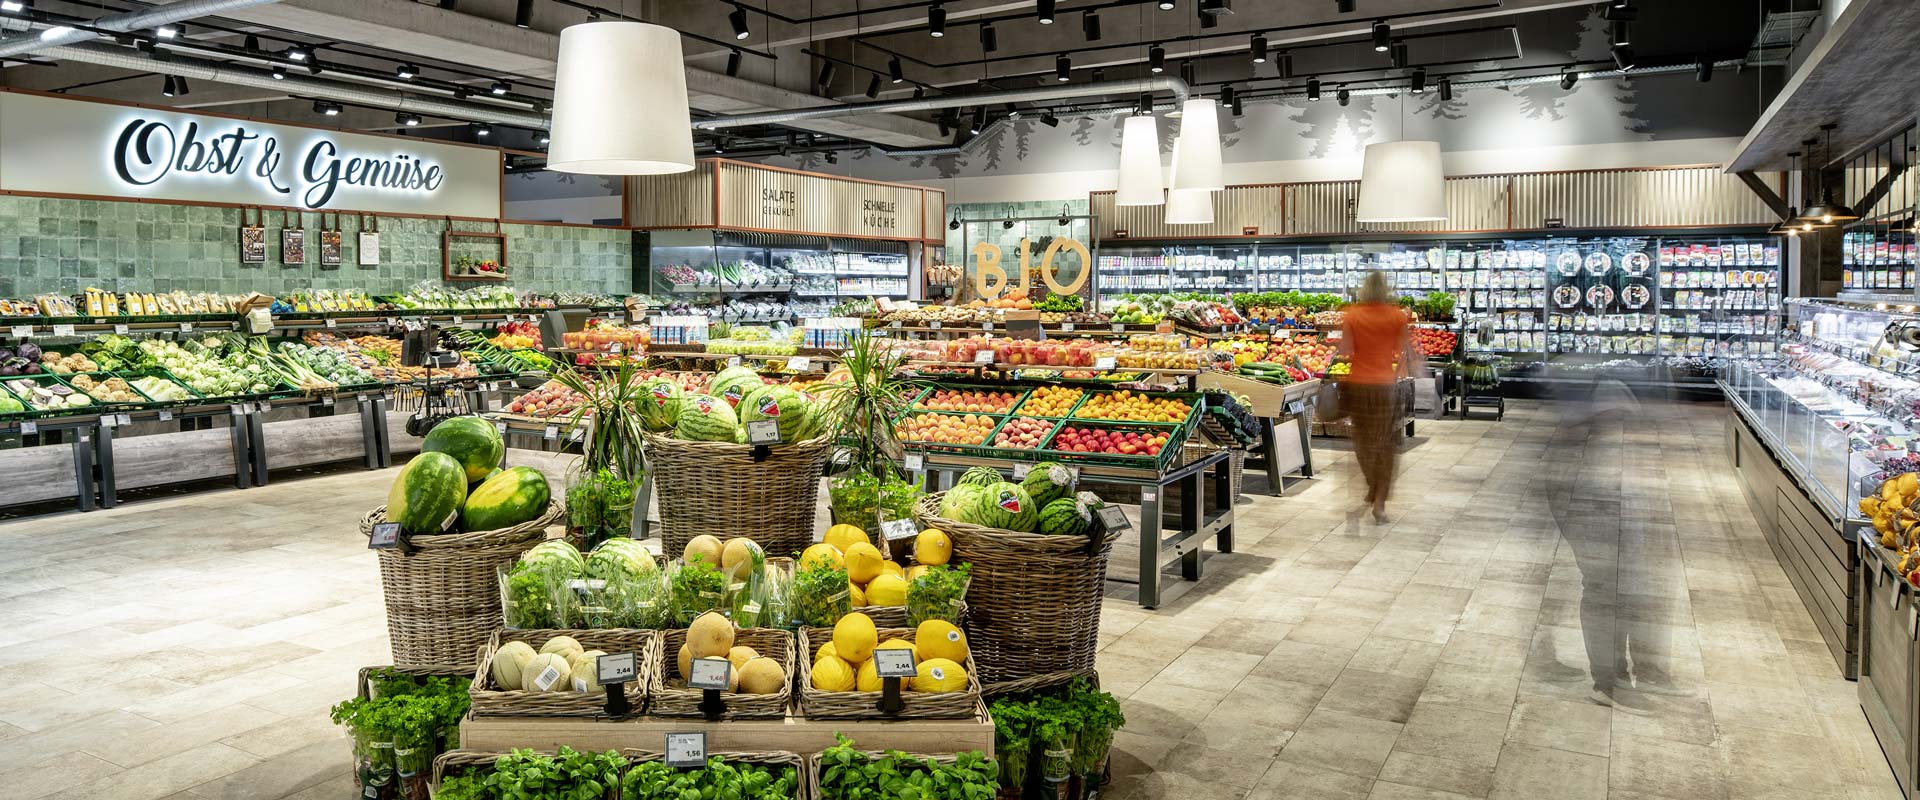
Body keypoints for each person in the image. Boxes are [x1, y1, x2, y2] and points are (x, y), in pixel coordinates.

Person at [1338, 271, 1413, 522]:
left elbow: (1346, 350)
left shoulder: (1353, 315)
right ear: (1387, 290)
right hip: (1384, 387)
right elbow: (1405, 350)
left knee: (1362, 441)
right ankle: (1379, 502)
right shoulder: (1396, 316)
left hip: (1358, 385)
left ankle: (1371, 483)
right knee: (1385, 444)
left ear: (1364, 290)